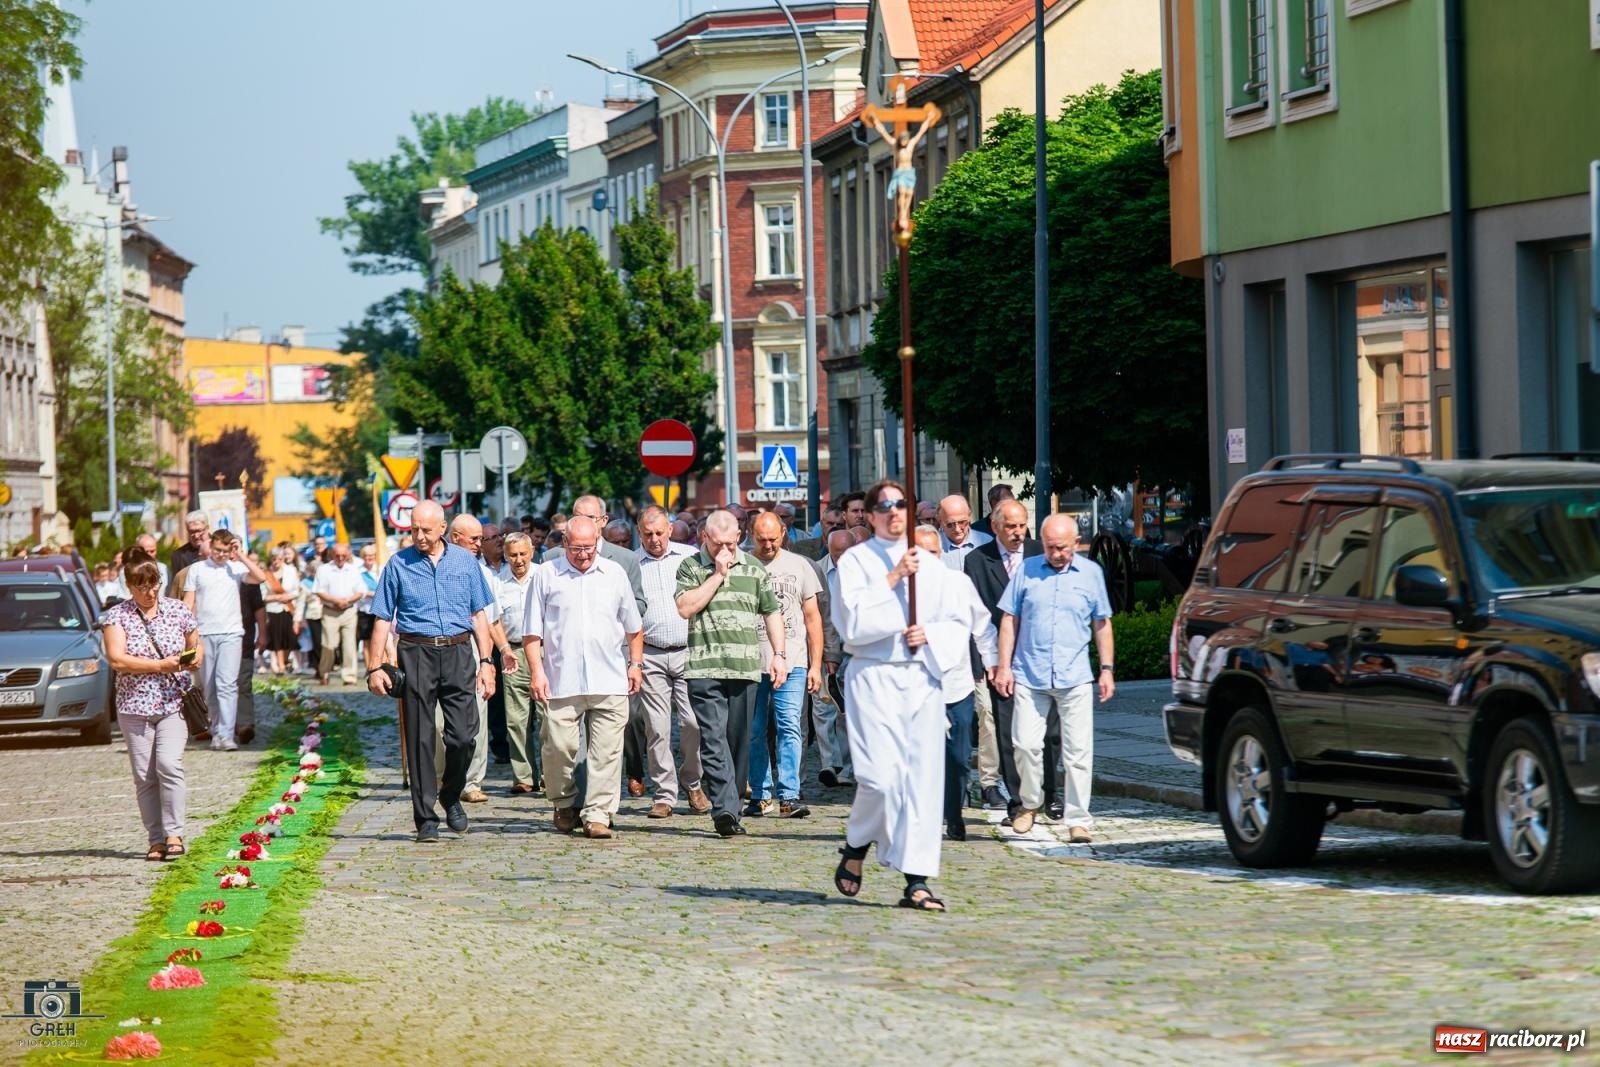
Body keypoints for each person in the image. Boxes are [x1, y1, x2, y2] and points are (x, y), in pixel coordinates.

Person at [830, 480, 963, 911]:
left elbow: (958, 620)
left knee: (921, 782)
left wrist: (933, 633)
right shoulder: (855, 562)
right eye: (883, 506)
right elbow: (852, 624)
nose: (893, 512)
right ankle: (856, 844)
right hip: (873, 676)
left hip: (920, 676)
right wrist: (893, 578)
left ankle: (917, 881)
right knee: (880, 778)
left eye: (900, 504)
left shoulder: (931, 564)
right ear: (868, 515)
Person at [367, 500, 498, 843]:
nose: (420, 536)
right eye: (414, 530)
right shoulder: (398, 564)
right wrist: (374, 667)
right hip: (416, 651)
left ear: (443, 529)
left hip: (458, 651)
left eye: (426, 530)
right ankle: (425, 818)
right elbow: (382, 618)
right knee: (421, 736)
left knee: (463, 736)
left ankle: (451, 794)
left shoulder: (466, 562)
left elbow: (479, 615)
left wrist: (486, 663)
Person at [992, 514, 1115, 841]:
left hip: (1074, 675)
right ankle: (1030, 803)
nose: (1056, 553)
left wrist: (1107, 669)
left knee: (1078, 752)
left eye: (1062, 547)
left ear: (1076, 544)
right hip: (1030, 674)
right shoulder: (1027, 569)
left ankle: (1078, 819)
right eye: (1049, 547)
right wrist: (1003, 666)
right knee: (1025, 744)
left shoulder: (1091, 574)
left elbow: (1102, 623)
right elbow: (1009, 620)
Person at [522, 516, 644, 839]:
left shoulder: (614, 574)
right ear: (564, 544)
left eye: (589, 548)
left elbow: (633, 627)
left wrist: (636, 664)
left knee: (607, 752)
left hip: (609, 678)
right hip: (561, 680)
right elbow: (532, 632)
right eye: (576, 548)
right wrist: (537, 672)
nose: (584, 555)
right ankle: (564, 802)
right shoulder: (546, 575)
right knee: (558, 746)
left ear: (598, 541)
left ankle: (598, 815)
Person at [675, 509, 787, 838]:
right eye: (716, 543)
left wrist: (779, 656)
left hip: (744, 667)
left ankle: (733, 805)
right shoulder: (691, 567)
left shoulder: (754, 569)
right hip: (704, 667)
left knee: (738, 742)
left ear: (739, 536)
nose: (723, 549)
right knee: (713, 738)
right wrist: (717, 575)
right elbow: (685, 608)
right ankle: (723, 808)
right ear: (704, 538)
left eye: (729, 542)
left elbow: (771, 613)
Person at [103, 546, 202, 862]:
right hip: (134, 706)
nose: (149, 591)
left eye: (153, 583)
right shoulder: (118, 616)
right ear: (129, 587)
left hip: (173, 703)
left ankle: (175, 833)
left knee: (169, 765)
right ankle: (156, 839)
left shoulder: (177, 610)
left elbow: (195, 643)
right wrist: (160, 666)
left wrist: (194, 658)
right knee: (145, 776)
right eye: (141, 586)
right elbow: (117, 659)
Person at [963, 498, 1057, 820]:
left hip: (1041, 656)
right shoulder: (977, 561)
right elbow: (979, 616)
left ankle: (1051, 795)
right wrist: (987, 663)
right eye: (1010, 527)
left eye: (1022, 525)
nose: (1018, 533)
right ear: (995, 527)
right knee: (1007, 733)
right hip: (999, 659)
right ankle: (1019, 802)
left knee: (1049, 732)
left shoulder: (1040, 552)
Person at [912, 526, 998, 841]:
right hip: (919, 685)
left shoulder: (958, 583)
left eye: (934, 552)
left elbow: (982, 627)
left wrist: (994, 664)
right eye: (921, 553)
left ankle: (954, 810)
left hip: (958, 682)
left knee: (959, 757)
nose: (929, 560)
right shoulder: (902, 591)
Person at [746, 511, 822, 819]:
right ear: (751, 534)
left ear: (784, 533)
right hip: (751, 662)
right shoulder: (742, 565)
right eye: (761, 539)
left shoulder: (799, 565)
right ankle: (761, 794)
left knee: (790, 725)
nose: (767, 545)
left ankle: (789, 794)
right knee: (755, 730)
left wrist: (815, 664)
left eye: (773, 539)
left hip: (793, 660)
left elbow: (813, 618)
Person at [634, 506, 707, 817]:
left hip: (688, 651)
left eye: (660, 533)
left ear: (670, 530)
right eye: (648, 534)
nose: (655, 540)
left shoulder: (689, 556)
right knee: (657, 728)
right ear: (640, 534)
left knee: (692, 722)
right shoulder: (632, 564)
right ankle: (664, 794)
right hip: (650, 652)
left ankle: (693, 781)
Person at [449, 514, 516, 805]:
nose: (479, 545)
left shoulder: (483, 574)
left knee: (477, 714)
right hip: (441, 649)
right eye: (474, 539)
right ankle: (445, 773)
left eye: (481, 539)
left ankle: (472, 780)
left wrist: (501, 652)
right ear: (455, 538)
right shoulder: (435, 567)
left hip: (477, 649)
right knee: (442, 723)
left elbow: (491, 619)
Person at [182, 529, 269, 750]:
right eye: (217, 550)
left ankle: (227, 734)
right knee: (210, 686)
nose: (221, 554)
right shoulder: (197, 569)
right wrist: (187, 634)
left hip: (232, 633)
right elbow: (188, 603)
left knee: (227, 684)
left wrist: (240, 556)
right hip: (205, 632)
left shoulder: (236, 568)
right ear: (211, 546)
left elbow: (260, 577)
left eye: (225, 550)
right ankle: (216, 730)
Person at [938, 494, 997, 805]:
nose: (958, 529)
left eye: (963, 522)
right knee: (950, 723)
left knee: (987, 714)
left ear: (971, 516)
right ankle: (954, 784)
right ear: (940, 522)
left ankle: (989, 782)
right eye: (951, 524)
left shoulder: (986, 543)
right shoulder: (931, 549)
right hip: (947, 648)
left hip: (980, 641)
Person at [498, 532, 542, 796]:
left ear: (531, 552)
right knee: (516, 718)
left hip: (545, 649)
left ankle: (551, 773)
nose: (518, 560)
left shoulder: (544, 576)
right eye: (512, 555)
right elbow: (494, 619)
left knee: (549, 717)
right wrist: (504, 649)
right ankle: (523, 776)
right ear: (506, 555)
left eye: (522, 554)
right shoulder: (498, 581)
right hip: (513, 651)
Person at [814, 529, 857, 788]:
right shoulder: (817, 570)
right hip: (823, 647)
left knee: (847, 710)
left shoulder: (864, 573)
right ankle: (828, 763)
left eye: (847, 552)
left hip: (853, 648)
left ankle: (848, 768)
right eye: (836, 553)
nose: (841, 558)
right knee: (823, 707)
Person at [314, 543, 365, 686]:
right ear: (332, 555)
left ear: (348, 555)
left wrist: (347, 600)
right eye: (337, 555)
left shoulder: (353, 570)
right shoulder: (324, 570)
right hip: (330, 611)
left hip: (348, 611)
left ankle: (349, 676)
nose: (340, 558)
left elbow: (361, 590)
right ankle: (324, 672)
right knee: (328, 645)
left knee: (349, 645)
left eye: (344, 555)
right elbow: (319, 591)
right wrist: (335, 601)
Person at [265, 548, 302, 674]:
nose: (276, 562)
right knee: (277, 639)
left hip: (289, 608)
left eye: (279, 559)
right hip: (273, 609)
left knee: (290, 638)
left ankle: (285, 660)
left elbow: (297, 590)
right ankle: (280, 665)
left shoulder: (291, 571)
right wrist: (276, 597)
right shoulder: (266, 574)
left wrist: (288, 596)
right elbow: (263, 596)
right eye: (274, 559)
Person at [168, 511, 210, 578]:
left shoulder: (221, 548)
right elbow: (176, 584)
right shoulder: (178, 556)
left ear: (207, 528)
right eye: (192, 532)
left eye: (199, 531)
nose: (196, 536)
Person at [356, 543, 380, 657]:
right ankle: (369, 669)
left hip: (380, 610)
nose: (369, 558)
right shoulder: (358, 572)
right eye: (366, 555)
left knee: (379, 639)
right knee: (367, 640)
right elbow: (360, 591)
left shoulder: (380, 569)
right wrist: (373, 594)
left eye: (371, 555)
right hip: (365, 609)